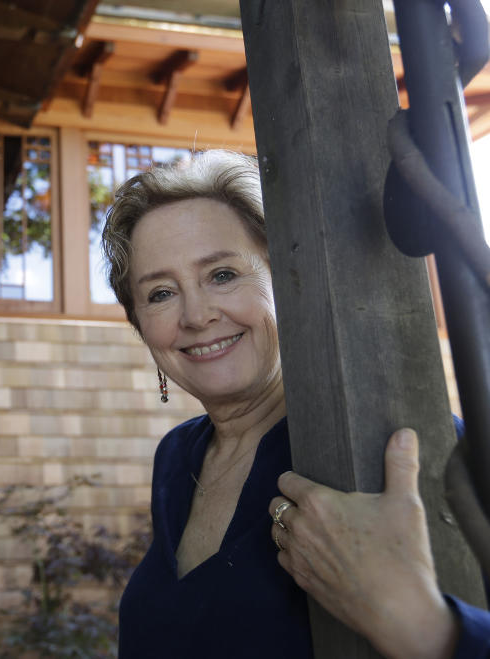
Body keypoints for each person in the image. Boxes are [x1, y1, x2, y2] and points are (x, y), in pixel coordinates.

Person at [101, 150, 490, 658]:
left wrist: (415, 619)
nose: (196, 315)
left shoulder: (407, 444)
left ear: (284, 281)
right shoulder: (176, 458)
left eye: (221, 274)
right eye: (160, 293)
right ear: (141, 326)